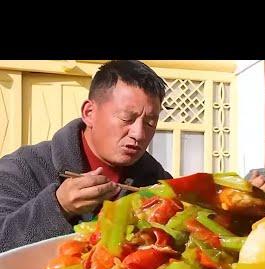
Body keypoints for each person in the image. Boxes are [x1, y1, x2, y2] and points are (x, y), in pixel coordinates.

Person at [0, 60, 171, 253]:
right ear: (89, 113)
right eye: (126, 118)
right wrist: (58, 206)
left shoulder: (156, 184)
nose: (139, 134)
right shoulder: (23, 168)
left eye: (150, 122)